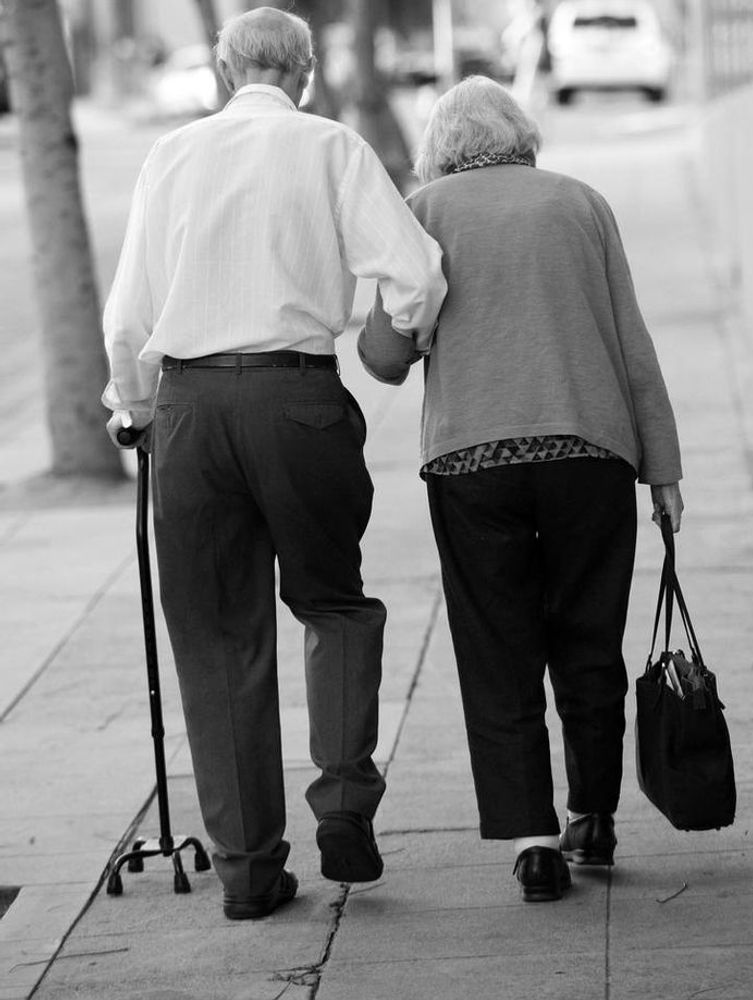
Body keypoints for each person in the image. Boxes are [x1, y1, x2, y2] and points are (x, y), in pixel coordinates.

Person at [102, 7, 446, 920]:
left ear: (223, 70)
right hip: (297, 398)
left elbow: (128, 317)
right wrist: (386, 351)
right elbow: (417, 277)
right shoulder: (331, 148)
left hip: (189, 405)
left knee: (217, 639)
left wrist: (133, 408)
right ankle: (341, 800)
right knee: (332, 602)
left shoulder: (171, 156)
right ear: (301, 73)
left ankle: (250, 874)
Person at [358, 76, 683, 903]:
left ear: (441, 144)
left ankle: (533, 842)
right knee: (587, 635)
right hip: (590, 451)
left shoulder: (420, 212)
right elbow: (632, 344)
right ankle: (594, 817)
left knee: (496, 648)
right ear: (524, 134)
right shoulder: (581, 204)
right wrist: (665, 472)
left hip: (473, 462)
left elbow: (389, 358)